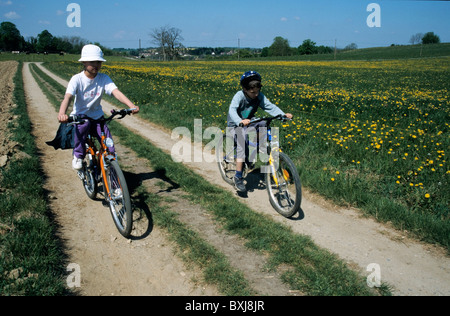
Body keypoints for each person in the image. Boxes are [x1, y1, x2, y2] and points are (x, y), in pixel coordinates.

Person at [57, 44, 139, 170]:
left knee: (108, 141)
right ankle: (78, 156)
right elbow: (67, 97)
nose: (96, 65)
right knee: (83, 126)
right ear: (84, 62)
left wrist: (131, 105)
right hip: (80, 117)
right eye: (92, 62)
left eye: (99, 62)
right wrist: (62, 113)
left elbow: (115, 92)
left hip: (97, 117)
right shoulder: (77, 79)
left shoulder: (103, 78)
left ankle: (113, 172)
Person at [227, 71, 293, 192]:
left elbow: (270, 107)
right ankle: (238, 176)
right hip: (235, 125)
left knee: (263, 123)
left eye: (257, 91)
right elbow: (232, 110)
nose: (256, 94)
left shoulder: (259, 96)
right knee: (241, 143)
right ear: (245, 89)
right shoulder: (239, 96)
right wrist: (239, 121)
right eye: (253, 92)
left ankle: (256, 150)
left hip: (249, 122)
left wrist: (283, 115)